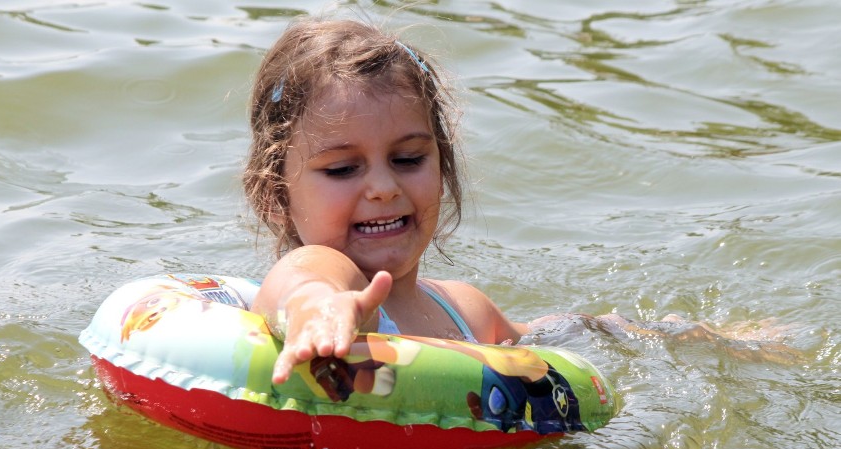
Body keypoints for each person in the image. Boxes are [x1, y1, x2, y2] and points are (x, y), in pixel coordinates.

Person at [243, 17, 798, 385]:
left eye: (409, 158)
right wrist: (321, 312)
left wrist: (697, 338)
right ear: (275, 197)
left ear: (444, 167)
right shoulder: (320, 270)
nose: (384, 186)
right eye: (342, 168)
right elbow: (303, 288)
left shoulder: (465, 309)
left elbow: (555, 333)